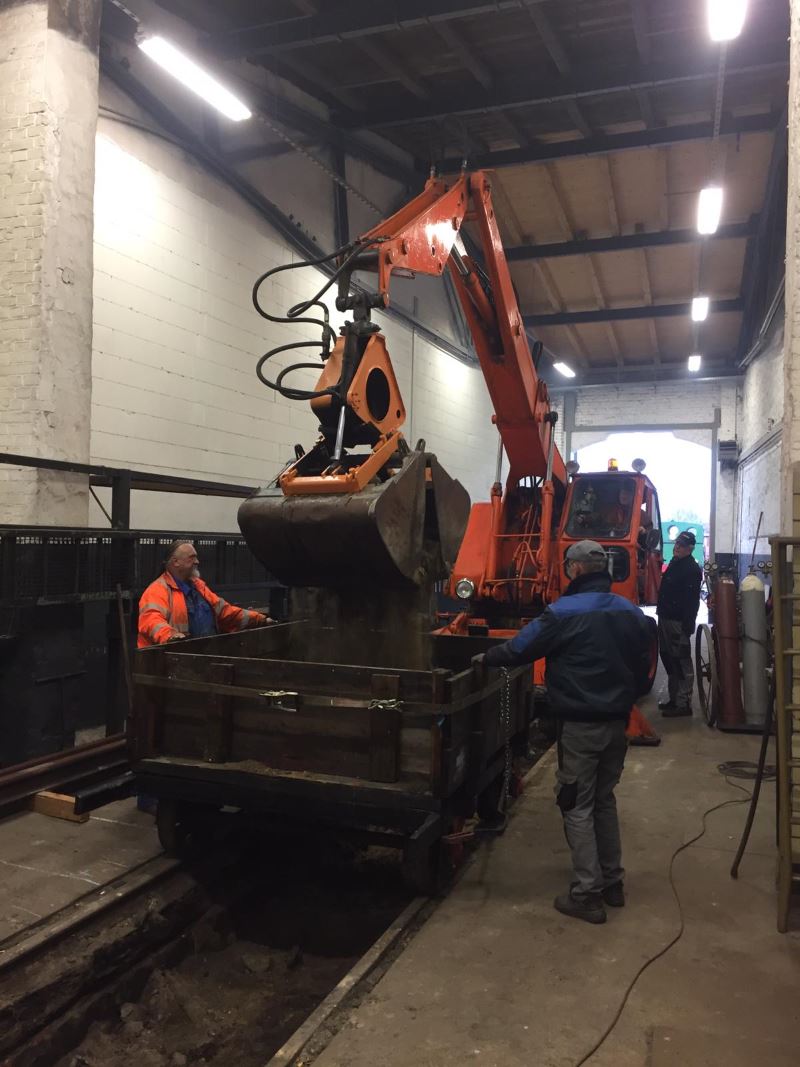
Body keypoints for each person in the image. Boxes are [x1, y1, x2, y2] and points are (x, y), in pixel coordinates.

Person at [478, 540, 652, 925]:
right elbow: (643, 668)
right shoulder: (629, 611)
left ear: (575, 569)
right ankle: (612, 882)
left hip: (580, 726)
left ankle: (586, 893)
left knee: (576, 804)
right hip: (617, 724)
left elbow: (520, 649)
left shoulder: (563, 612)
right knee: (603, 800)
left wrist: (485, 657)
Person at [138, 540, 272, 648]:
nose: (197, 561)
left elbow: (226, 612)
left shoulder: (199, 587)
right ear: (175, 562)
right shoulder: (157, 591)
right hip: (174, 662)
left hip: (204, 657)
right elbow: (151, 620)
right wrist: (171, 636)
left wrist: (260, 619)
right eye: (192, 558)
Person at [657, 529, 702, 717]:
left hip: (678, 622)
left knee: (681, 661)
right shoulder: (675, 563)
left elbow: (692, 601)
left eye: (681, 545)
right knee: (669, 658)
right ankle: (674, 699)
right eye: (676, 544)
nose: (677, 547)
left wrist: (687, 626)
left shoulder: (691, 569)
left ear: (690, 548)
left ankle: (683, 705)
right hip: (665, 618)